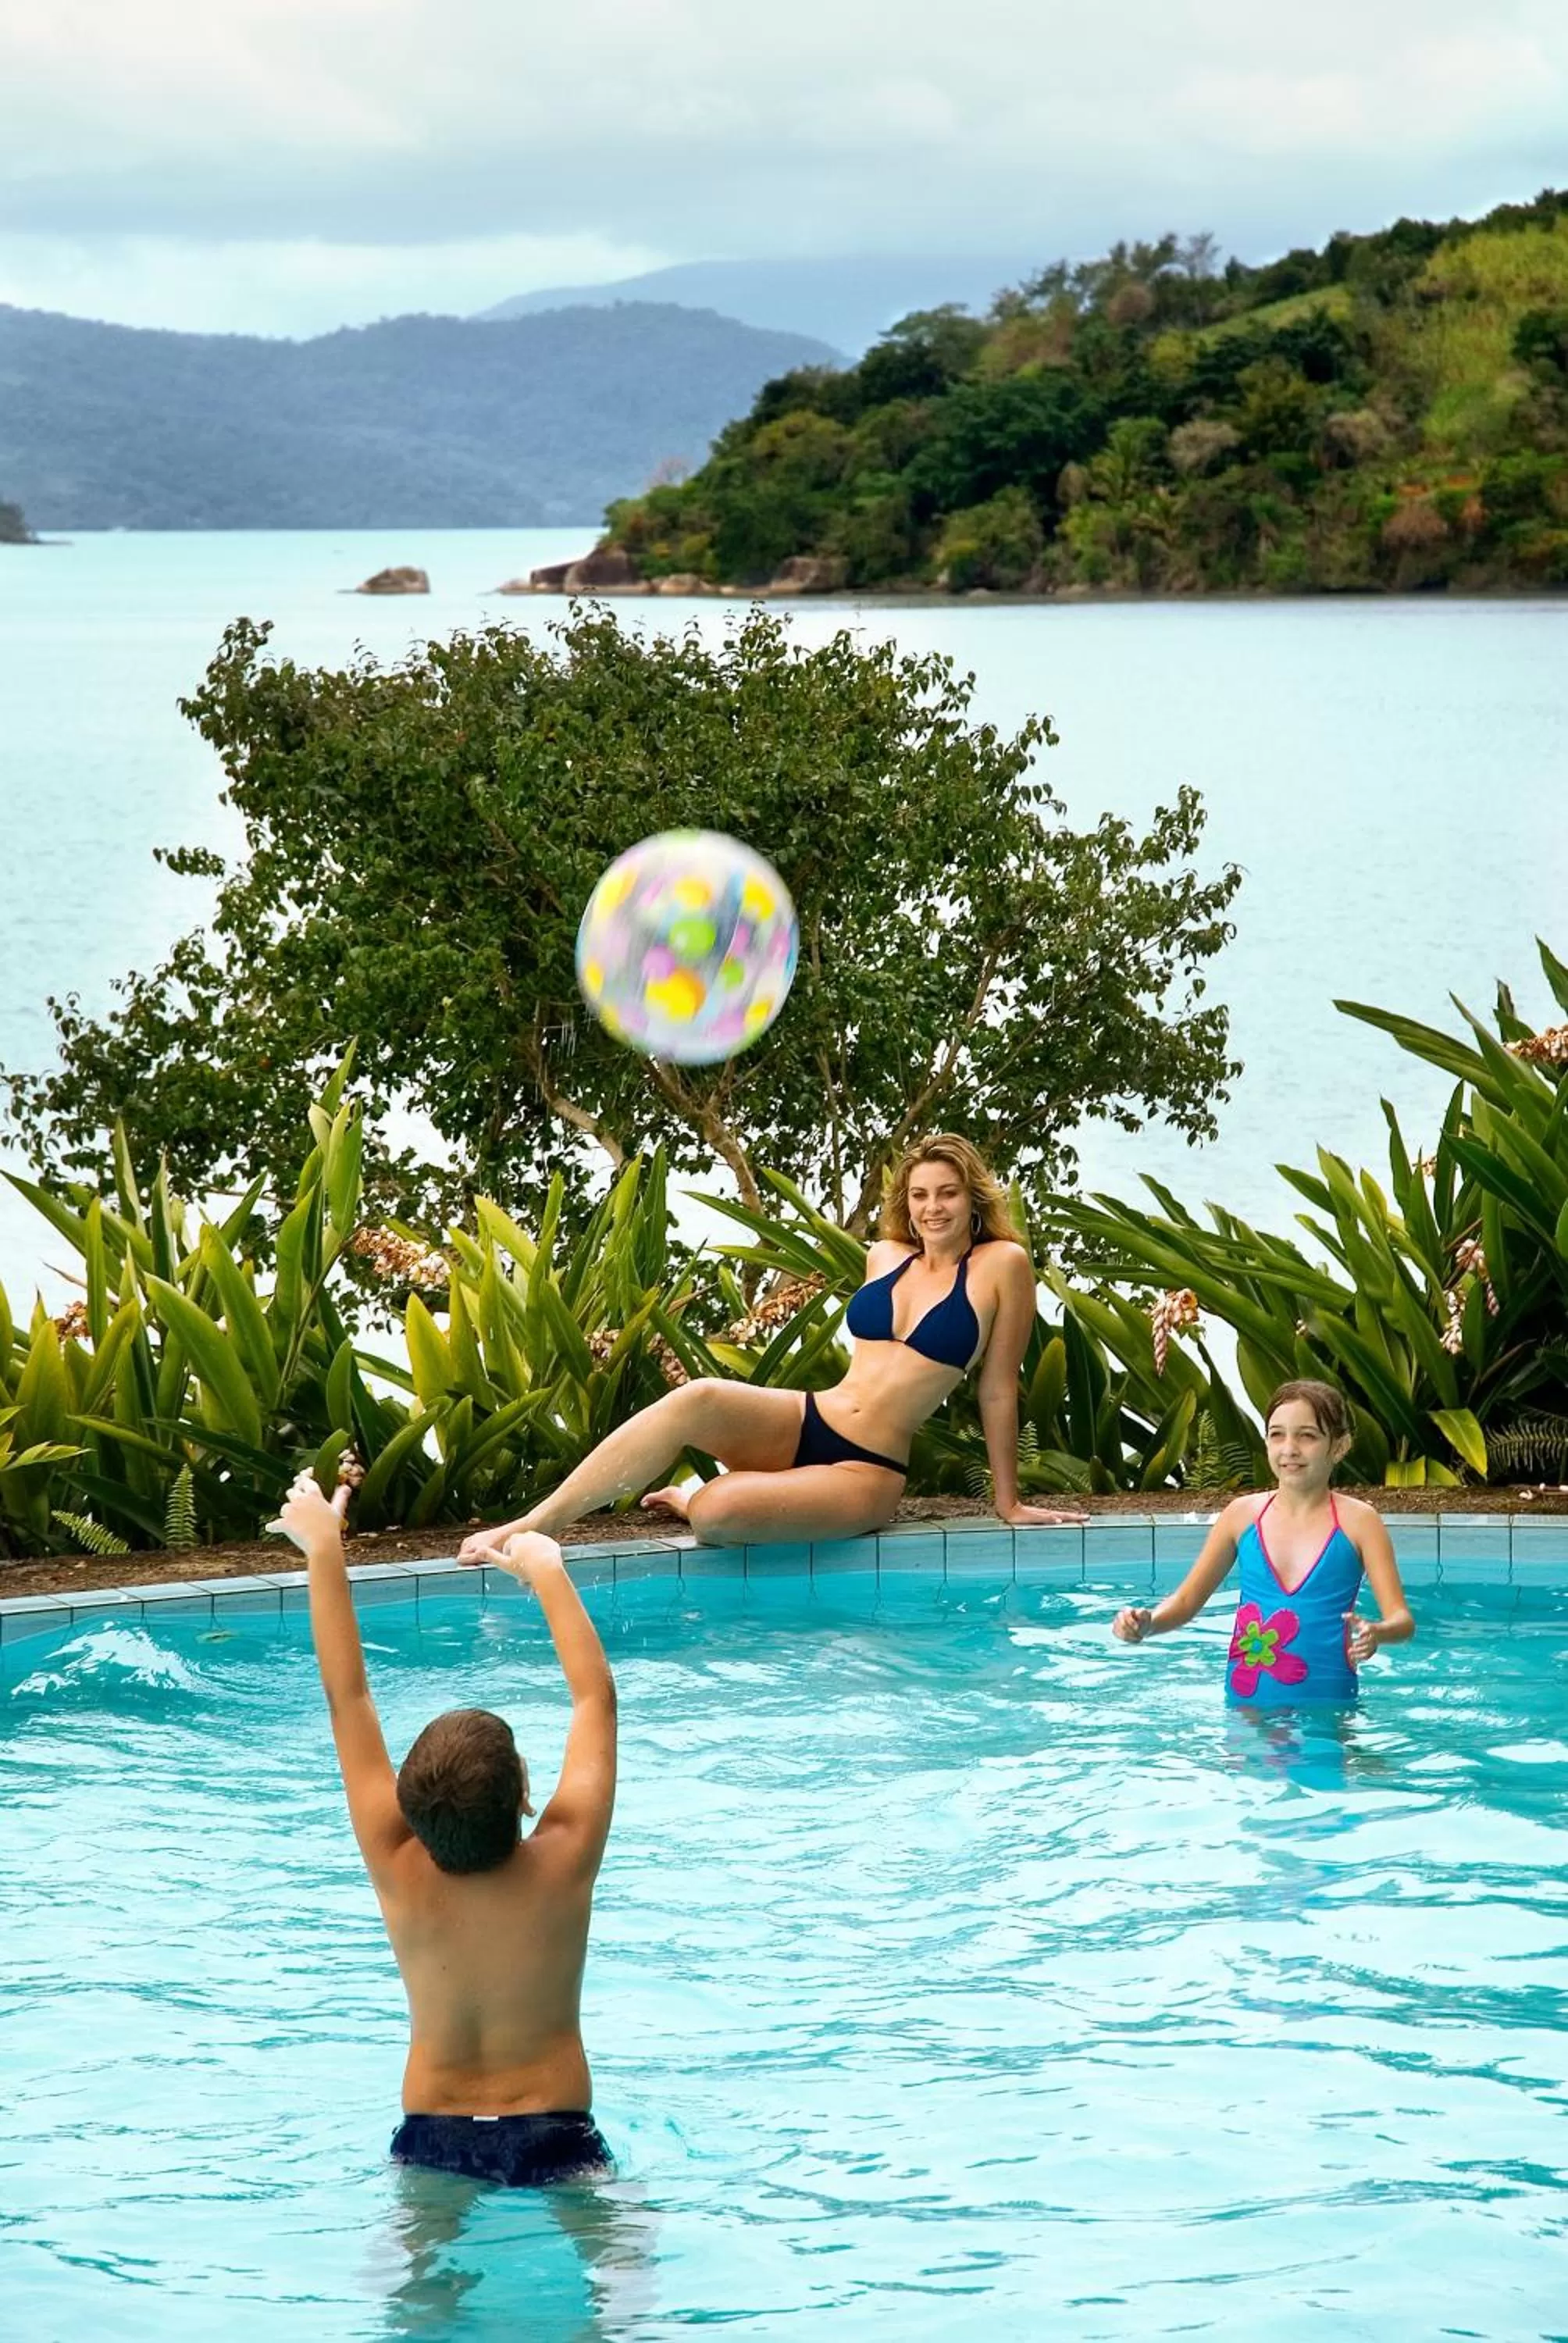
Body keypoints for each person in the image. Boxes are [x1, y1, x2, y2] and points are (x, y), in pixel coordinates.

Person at [460, 1134, 1087, 1556]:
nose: (933, 1208)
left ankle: (700, 1500)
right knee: (699, 1396)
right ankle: (537, 1523)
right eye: (920, 1195)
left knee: (715, 1514)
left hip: (866, 1468)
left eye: (947, 1193)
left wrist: (1008, 1503)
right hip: (811, 1417)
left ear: (973, 1197)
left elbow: (997, 1389)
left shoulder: (1002, 1265)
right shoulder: (885, 1255)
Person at [270, 1472, 617, 2186]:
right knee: (619, 2252)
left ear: (408, 1808)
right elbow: (595, 1700)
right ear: (525, 1795)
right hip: (556, 2129)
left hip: (432, 2132)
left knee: (413, 2260)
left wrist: (324, 1550)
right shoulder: (565, 1855)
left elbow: (347, 1698)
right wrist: (547, 1572)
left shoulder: (395, 1857)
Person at [1112, 1378, 1414, 1702]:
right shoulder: (1241, 1516)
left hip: (1328, 1704)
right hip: (1246, 1704)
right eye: (1277, 1434)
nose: (1289, 1449)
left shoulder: (1360, 1522)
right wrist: (1149, 1624)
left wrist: (1379, 1632)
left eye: (1307, 1436)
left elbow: (1402, 1620)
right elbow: (1186, 1602)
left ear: (1339, 1446)